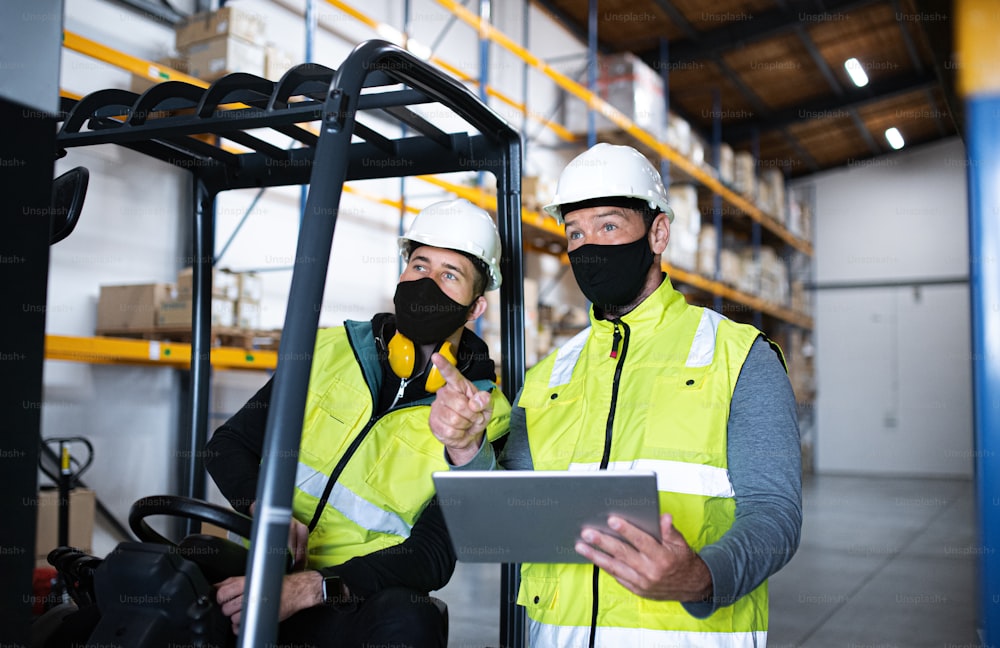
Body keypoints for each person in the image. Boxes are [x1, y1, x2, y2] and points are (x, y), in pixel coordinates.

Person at [430, 143, 802, 647]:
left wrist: (702, 576)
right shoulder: (548, 377)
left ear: (658, 233)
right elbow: (513, 513)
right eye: (575, 233)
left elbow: (774, 513)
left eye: (608, 226)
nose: (588, 247)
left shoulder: (739, 357)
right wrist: (467, 448)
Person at [205, 197, 511, 648]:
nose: (426, 283)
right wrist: (264, 510)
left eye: (450, 275)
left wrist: (314, 587)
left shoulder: (486, 415)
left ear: (474, 309)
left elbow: (431, 555)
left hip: (356, 598)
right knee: (157, 574)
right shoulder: (329, 350)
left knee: (412, 619)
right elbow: (228, 444)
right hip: (264, 570)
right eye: (420, 265)